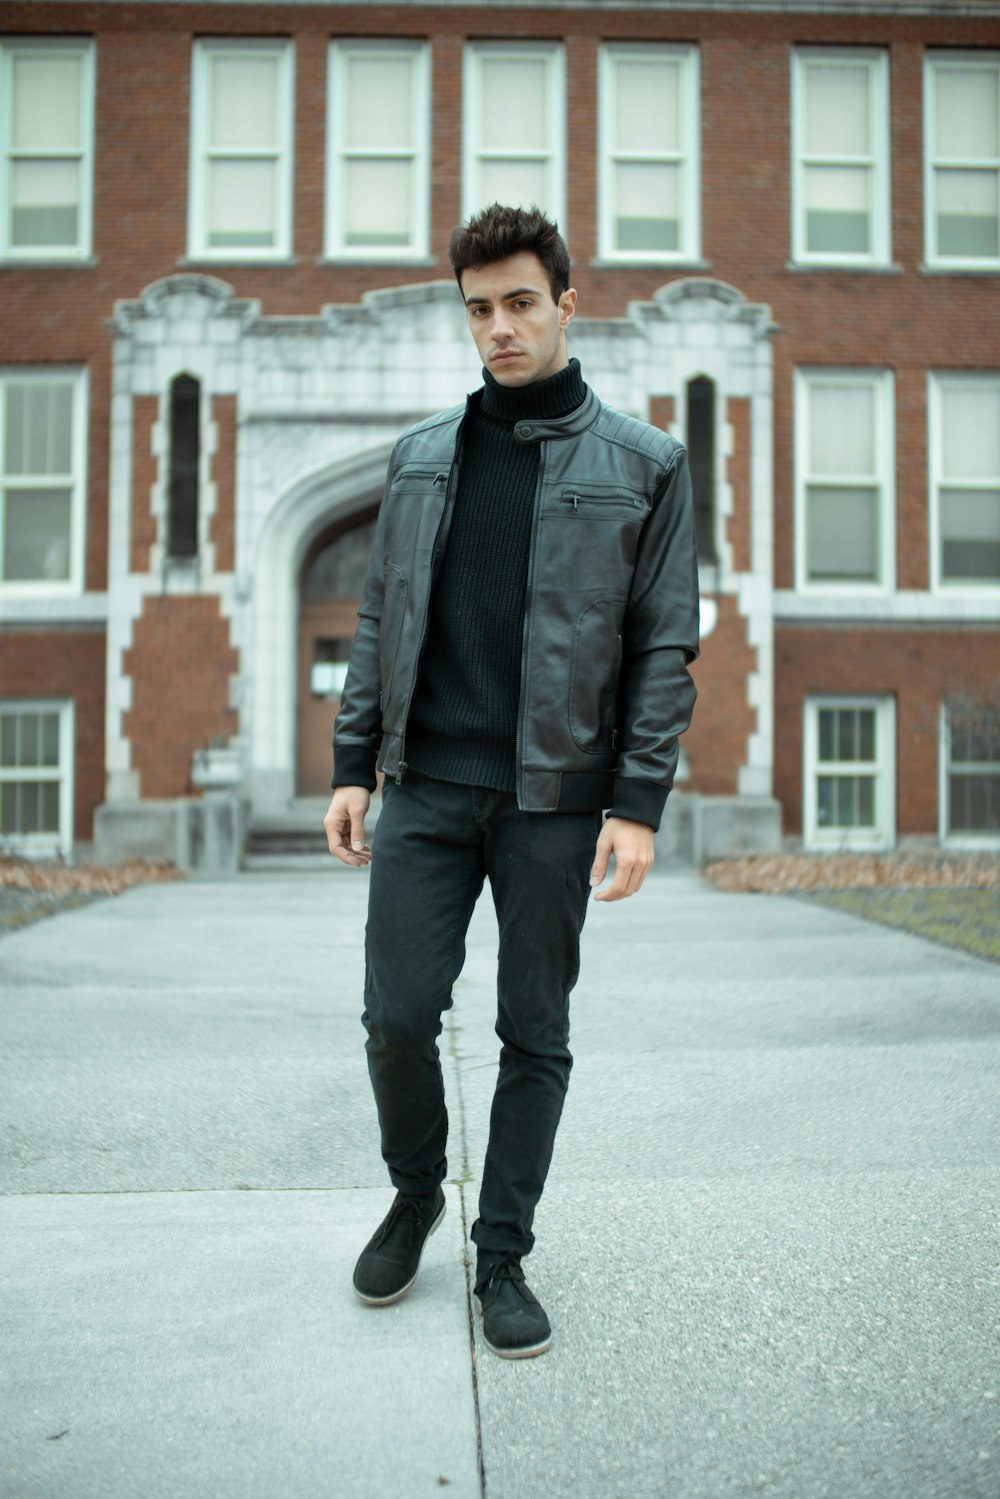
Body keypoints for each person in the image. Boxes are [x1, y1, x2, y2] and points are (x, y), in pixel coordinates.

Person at [324, 203, 699, 1360]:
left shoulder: (645, 463)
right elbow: (380, 613)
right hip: (427, 787)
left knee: (531, 1028)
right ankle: (415, 1190)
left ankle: (503, 1250)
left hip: (556, 799)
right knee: (395, 1015)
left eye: (520, 302)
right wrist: (352, 763)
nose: (499, 327)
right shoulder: (421, 456)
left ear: (565, 302)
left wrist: (637, 801)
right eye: (479, 308)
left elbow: (662, 642)